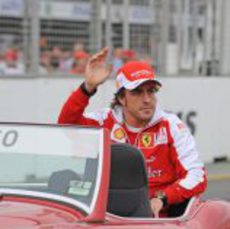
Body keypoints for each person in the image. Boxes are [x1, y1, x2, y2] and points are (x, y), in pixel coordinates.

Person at [58, 47, 207, 218]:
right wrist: (87, 88)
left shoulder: (171, 125)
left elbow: (197, 176)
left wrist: (163, 198)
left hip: (157, 219)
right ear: (122, 98)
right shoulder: (104, 120)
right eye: (137, 92)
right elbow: (66, 126)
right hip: (108, 216)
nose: (146, 99)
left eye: (151, 91)